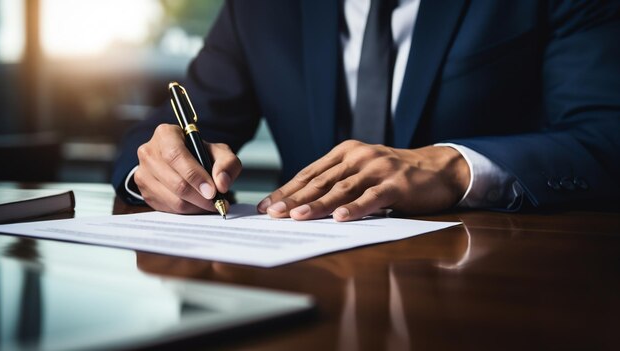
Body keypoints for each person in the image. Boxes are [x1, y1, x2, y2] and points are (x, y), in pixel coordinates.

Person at [112, 0, 620, 221]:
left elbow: (605, 134)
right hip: (304, 274)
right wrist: (155, 167)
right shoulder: (262, 7)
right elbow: (167, 129)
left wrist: (455, 167)